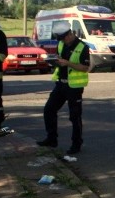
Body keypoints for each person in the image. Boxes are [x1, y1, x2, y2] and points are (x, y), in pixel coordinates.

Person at [37, 21, 91, 154]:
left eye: (62, 38)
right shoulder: (61, 44)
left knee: (75, 117)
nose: (62, 41)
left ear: (68, 35)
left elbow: (85, 68)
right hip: (60, 84)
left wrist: (67, 63)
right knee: (49, 110)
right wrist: (54, 61)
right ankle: (51, 139)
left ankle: (76, 144)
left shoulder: (82, 47)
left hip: (74, 86)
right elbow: (58, 58)